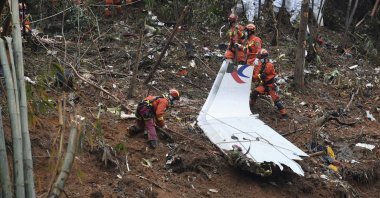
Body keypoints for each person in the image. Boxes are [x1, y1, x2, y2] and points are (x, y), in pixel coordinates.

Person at [250, 49, 288, 119]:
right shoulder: (261, 64)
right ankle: (251, 106)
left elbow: (263, 75)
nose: (259, 60)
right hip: (264, 85)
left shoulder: (269, 65)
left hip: (270, 86)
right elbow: (257, 75)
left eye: (260, 58)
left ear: (264, 58)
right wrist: (252, 75)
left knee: (276, 101)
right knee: (254, 92)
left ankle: (284, 115)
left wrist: (258, 76)